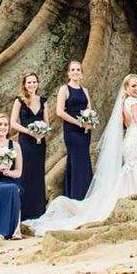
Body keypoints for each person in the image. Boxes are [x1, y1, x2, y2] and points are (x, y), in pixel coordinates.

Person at [24, 72, 137, 235]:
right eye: (133, 86)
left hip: (132, 139)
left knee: (132, 172)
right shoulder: (134, 102)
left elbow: (130, 125)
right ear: (126, 88)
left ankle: (134, 202)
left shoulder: (125, 102)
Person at [10, 72, 48, 220]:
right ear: (24, 85)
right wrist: (29, 132)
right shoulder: (19, 101)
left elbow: (46, 123)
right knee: (25, 174)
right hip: (25, 143)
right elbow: (13, 122)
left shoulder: (43, 101)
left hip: (39, 143)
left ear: (38, 84)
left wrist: (42, 133)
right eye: (29, 82)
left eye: (34, 82)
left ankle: (38, 212)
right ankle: (23, 212)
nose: (32, 85)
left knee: (38, 175)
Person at [56, 60, 94, 200]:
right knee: (77, 161)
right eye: (73, 70)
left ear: (82, 74)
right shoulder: (64, 89)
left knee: (84, 160)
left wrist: (90, 122)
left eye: (78, 70)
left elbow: (89, 109)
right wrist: (79, 123)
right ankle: (77, 197)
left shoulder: (85, 90)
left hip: (85, 132)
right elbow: (59, 112)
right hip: (72, 131)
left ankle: (84, 195)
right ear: (68, 73)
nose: (76, 72)